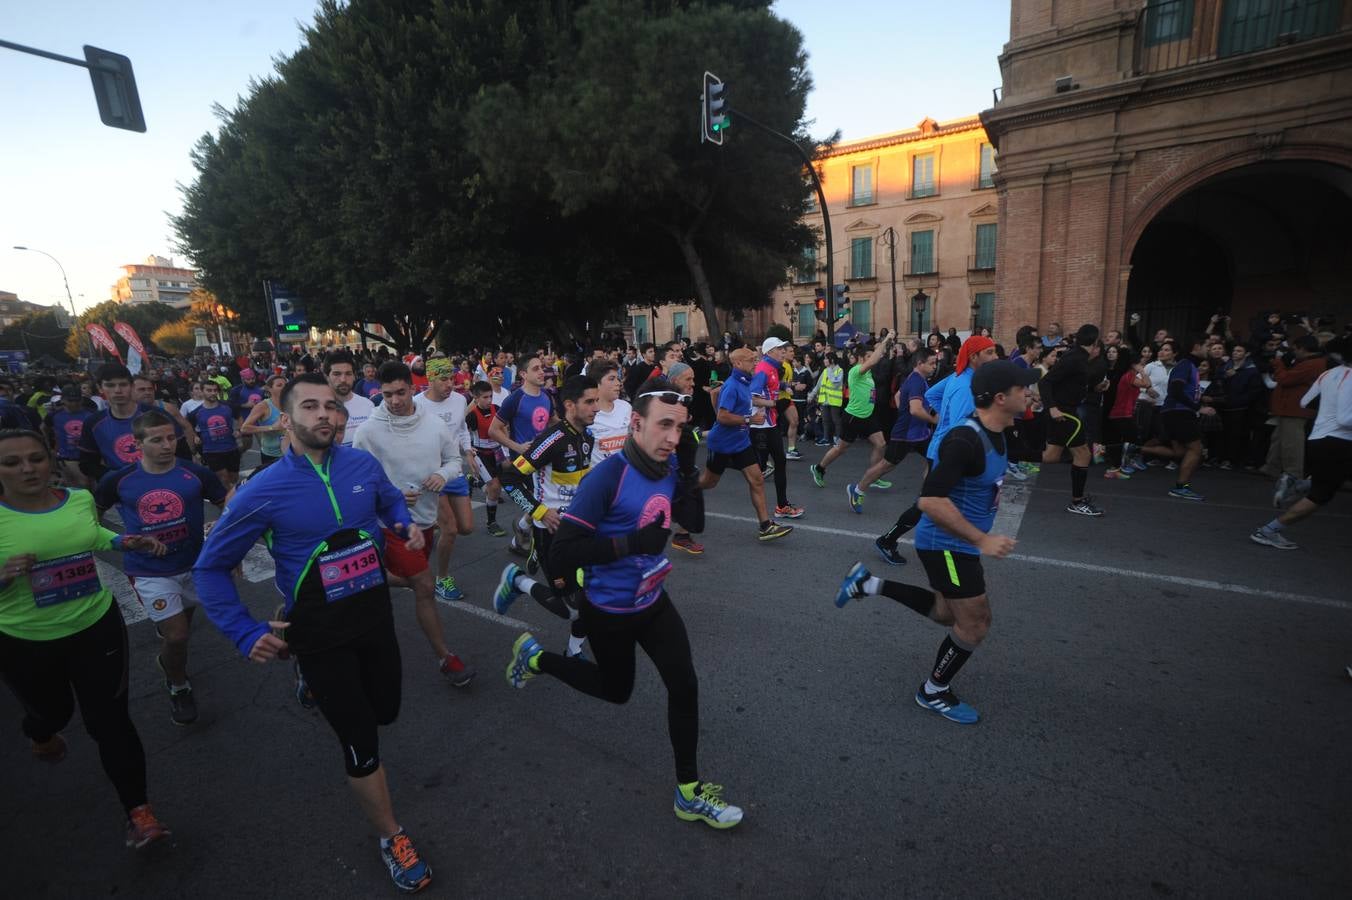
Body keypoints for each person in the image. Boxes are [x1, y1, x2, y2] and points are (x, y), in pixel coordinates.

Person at [193, 374, 435, 893]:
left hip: (373, 613)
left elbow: (389, 500)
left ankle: (306, 672)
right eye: (310, 406)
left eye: (332, 406)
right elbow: (210, 569)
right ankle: (391, 836)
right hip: (319, 629)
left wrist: (401, 523)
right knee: (360, 738)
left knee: (386, 709)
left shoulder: (362, 465)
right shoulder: (264, 490)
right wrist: (240, 631)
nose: (325, 414)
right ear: (287, 419)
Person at [503, 381, 745, 829]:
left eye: (681, 428)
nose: (673, 437)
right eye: (664, 426)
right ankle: (538, 659)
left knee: (685, 686)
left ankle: (688, 793)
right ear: (636, 424)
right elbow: (563, 553)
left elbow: (693, 524)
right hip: (609, 611)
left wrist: (690, 477)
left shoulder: (670, 464)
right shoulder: (607, 478)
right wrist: (631, 543)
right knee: (617, 692)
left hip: (653, 601)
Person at [833, 360, 1036, 724]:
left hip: (960, 544)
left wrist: (1000, 524)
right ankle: (933, 690)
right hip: (948, 545)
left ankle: (868, 583)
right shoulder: (965, 439)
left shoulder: (1001, 431)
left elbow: (990, 487)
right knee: (975, 623)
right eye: (1024, 388)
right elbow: (929, 500)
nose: (1030, 392)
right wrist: (982, 539)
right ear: (1002, 398)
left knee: (946, 613)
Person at [0, 428, 170, 849]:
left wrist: (127, 541)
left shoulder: (76, 499)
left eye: (35, 458)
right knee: (52, 713)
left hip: (95, 624)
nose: (27, 469)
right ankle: (41, 733)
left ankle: (139, 813)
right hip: (25, 638)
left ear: (51, 457)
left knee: (110, 721)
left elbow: (93, 536)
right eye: (11, 462)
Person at [95, 410, 228, 725]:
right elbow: (90, 521)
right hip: (148, 569)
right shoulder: (118, 480)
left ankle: (170, 660)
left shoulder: (195, 473)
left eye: (171, 438)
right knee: (178, 635)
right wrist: (123, 540)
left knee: (183, 626)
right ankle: (179, 685)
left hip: (194, 565)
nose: (167, 445)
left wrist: (220, 525)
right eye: (157, 440)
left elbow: (229, 503)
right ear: (138, 443)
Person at [356, 361, 476, 685]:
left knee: (409, 579)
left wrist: (441, 474)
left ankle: (371, 575)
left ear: (412, 388)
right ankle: (446, 658)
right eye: (387, 395)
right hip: (389, 525)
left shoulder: (434, 424)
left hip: (424, 520)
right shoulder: (368, 431)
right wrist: (390, 496)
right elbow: (356, 479)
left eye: (400, 392)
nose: (394, 401)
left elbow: (453, 461)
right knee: (424, 585)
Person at [495, 375, 599, 659]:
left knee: (590, 595)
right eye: (589, 402)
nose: (596, 408)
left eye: (597, 401)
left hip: (580, 531)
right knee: (570, 608)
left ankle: (573, 650)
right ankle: (517, 581)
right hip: (551, 534)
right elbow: (509, 479)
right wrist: (540, 511)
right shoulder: (551, 440)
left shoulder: (587, 437)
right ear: (569, 405)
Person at [1251, 361, 1351, 550]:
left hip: (1319, 437)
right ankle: (1269, 530)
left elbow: (1305, 402)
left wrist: (1329, 406)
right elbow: (1344, 419)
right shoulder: (1350, 377)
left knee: (1331, 481)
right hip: (1338, 442)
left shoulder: (1327, 374)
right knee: (1320, 495)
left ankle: (1297, 484)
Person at [698, 348, 793, 542]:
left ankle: (765, 526)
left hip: (741, 442)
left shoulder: (747, 381)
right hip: (722, 443)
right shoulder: (732, 385)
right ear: (738, 364)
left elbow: (715, 393)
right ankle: (683, 490)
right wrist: (749, 420)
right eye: (751, 360)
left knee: (757, 479)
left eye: (756, 360)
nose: (755, 363)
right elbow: (722, 416)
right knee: (709, 482)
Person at [412, 358, 478, 606]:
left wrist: (468, 452)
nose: (450, 384)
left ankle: (433, 526)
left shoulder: (460, 400)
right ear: (430, 379)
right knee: (450, 529)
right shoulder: (417, 404)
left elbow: (461, 429)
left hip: (454, 471)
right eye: (443, 379)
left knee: (466, 528)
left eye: (452, 378)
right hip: (430, 475)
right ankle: (442, 578)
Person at [851, 348, 938, 515]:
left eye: (935, 363)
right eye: (931, 363)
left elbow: (898, 396)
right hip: (905, 434)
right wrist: (934, 419)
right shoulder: (916, 381)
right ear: (920, 364)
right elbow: (915, 410)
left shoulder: (916, 378)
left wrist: (903, 412)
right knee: (886, 466)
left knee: (934, 458)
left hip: (920, 433)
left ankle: (925, 498)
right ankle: (858, 490)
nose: (934, 366)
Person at [489, 354, 557, 558]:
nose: (541, 372)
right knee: (540, 501)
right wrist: (517, 447)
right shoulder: (515, 399)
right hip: (523, 460)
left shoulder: (546, 396)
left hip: (544, 457)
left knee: (542, 500)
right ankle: (531, 539)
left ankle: (521, 532)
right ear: (523, 374)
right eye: (535, 369)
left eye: (541, 368)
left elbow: (553, 421)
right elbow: (494, 430)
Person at [810, 333, 894, 489]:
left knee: (881, 444)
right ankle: (819, 468)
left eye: (871, 355)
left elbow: (879, 357)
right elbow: (876, 358)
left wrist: (885, 346)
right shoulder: (856, 371)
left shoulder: (869, 373)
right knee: (841, 448)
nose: (872, 359)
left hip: (868, 415)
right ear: (862, 359)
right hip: (853, 417)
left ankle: (873, 476)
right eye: (868, 356)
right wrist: (887, 338)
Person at [1038, 325, 1104, 516]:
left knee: (1051, 456)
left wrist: (1095, 387)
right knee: (1083, 454)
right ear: (1094, 342)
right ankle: (1077, 502)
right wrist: (1052, 408)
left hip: (1066, 409)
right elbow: (1045, 382)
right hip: (1064, 412)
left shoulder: (1078, 358)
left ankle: (1009, 456)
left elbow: (1072, 384)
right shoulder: (1074, 358)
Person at [750, 338, 804, 519]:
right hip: (759, 427)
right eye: (780, 349)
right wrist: (775, 403)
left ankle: (782, 506)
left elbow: (772, 385)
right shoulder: (762, 369)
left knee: (780, 463)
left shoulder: (773, 368)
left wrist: (785, 386)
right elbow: (753, 398)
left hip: (770, 424)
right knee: (757, 471)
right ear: (770, 351)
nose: (784, 351)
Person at [77, 364, 152, 485]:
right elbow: (87, 463)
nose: (118, 391)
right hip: (118, 490)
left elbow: (181, 453)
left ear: (132, 386)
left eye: (123, 384)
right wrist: (113, 477)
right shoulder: (93, 423)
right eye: (110, 385)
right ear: (100, 388)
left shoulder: (156, 415)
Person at [464, 381, 508, 537]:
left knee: (502, 480)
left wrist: (507, 447)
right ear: (476, 398)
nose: (489, 400)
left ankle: (475, 481)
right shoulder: (472, 416)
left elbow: (504, 428)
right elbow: (461, 434)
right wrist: (469, 448)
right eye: (485, 397)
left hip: (497, 451)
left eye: (490, 396)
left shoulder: (497, 409)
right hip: (481, 454)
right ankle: (491, 523)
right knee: (495, 488)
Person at [186, 380, 242, 490]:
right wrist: (195, 436)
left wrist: (240, 430)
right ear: (202, 391)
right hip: (211, 451)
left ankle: (232, 495)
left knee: (234, 478)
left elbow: (239, 417)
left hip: (231, 448)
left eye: (215, 390)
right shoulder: (196, 412)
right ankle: (231, 501)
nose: (212, 393)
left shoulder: (227, 406)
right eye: (209, 390)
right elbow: (188, 426)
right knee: (224, 479)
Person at [46, 382, 95, 489]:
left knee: (90, 484)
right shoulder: (54, 416)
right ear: (63, 400)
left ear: (81, 400)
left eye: (77, 400)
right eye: (70, 401)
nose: (74, 404)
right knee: (83, 483)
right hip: (67, 456)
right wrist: (49, 447)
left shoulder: (92, 414)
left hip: (90, 456)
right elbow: (43, 428)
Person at [240, 373, 289, 471]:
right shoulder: (263, 406)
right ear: (269, 388)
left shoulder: (291, 403)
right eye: (279, 385)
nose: (284, 388)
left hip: (291, 453)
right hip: (272, 455)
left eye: (286, 385)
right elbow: (244, 428)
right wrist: (272, 427)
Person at [325, 351, 375, 446]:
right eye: (337, 374)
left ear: (354, 376)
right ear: (327, 376)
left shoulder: (368, 405)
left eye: (348, 374)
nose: (343, 379)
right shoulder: (319, 410)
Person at [588, 360, 632, 466]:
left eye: (618, 378)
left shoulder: (626, 407)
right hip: (598, 478)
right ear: (597, 384)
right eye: (611, 379)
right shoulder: (587, 413)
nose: (618, 383)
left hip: (623, 475)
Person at [810, 352, 845, 446]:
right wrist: (812, 395)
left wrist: (829, 371)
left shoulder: (839, 370)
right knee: (825, 420)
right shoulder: (825, 371)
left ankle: (837, 438)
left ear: (832, 360)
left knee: (836, 420)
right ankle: (826, 438)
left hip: (834, 400)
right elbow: (818, 384)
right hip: (825, 399)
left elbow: (836, 383)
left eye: (826, 359)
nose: (824, 361)